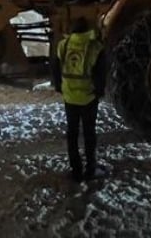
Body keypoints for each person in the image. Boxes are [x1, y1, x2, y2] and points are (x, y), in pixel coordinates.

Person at [51, 16, 107, 182]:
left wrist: (59, 87)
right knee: (89, 133)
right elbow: (100, 75)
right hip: (88, 98)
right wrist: (99, 92)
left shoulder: (63, 45)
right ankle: (91, 168)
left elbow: (54, 67)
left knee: (72, 133)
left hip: (70, 97)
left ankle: (76, 170)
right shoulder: (96, 48)